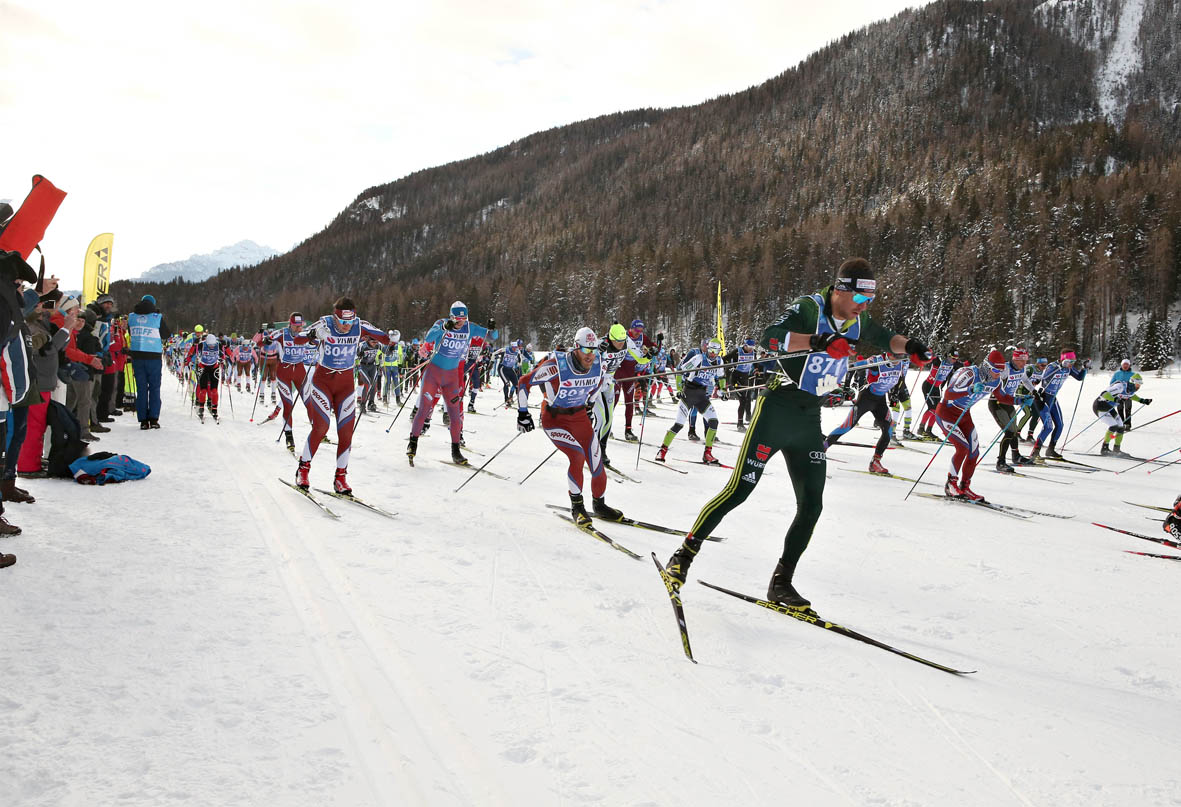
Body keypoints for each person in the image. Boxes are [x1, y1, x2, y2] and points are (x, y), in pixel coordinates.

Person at [664, 258, 931, 609]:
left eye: (869, 301)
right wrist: (818, 340)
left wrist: (911, 346)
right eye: (860, 299)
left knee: (812, 505)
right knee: (739, 491)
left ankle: (781, 582)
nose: (864, 307)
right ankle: (682, 556)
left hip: (808, 419)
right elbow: (770, 338)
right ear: (840, 290)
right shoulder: (810, 308)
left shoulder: (857, 319)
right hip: (776, 410)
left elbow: (885, 338)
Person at [516, 326, 623, 525]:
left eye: (594, 350)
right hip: (555, 419)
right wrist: (523, 413)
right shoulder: (556, 366)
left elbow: (596, 385)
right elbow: (524, 382)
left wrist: (590, 404)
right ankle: (578, 507)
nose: (590, 355)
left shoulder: (599, 364)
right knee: (577, 456)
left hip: (579, 417)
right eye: (586, 350)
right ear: (575, 347)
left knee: (596, 460)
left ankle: (599, 504)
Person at [293, 297, 391, 493]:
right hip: (323, 383)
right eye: (342, 322)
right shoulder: (325, 323)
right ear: (335, 317)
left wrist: (392, 339)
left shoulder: (359, 324)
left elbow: (384, 338)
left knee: (346, 432)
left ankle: (340, 477)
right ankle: (303, 470)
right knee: (321, 427)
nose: (346, 326)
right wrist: (313, 334)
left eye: (349, 321)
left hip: (345, 384)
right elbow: (298, 339)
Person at [406, 301, 497, 466]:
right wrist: (443, 328)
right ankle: (413, 443)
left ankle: (456, 451)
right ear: (451, 317)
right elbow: (429, 337)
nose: (460, 322)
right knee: (425, 409)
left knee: (455, 416)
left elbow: (493, 337)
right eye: (457, 319)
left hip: (452, 377)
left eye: (463, 318)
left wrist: (492, 328)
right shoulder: (442, 324)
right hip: (433, 373)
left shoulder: (470, 327)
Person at [935, 349, 1005, 500]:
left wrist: (1021, 400)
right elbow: (948, 394)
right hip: (946, 413)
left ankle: (965, 486)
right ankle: (950, 484)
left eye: (1001, 370)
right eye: (995, 370)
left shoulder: (996, 381)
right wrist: (969, 389)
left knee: (974, 452)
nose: (998, 374)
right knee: (962, 448)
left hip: (964, 414)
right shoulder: (969, 373)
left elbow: (1002, 397)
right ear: (986, 366)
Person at [824, 353, 908, 475]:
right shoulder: (877, 361)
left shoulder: (901, 363)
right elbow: (853, 367)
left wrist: (894, 394)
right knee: (847, 426)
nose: (898, 359)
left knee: (889, 429)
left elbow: (900, 379)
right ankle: (823, 447)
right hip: (866, 398)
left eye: (901, 356)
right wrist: (845, 384)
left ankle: (876, 462)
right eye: (896, 356)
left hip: (880, 401)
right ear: (889, 353)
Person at [654, 339, 727, 466]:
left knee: (714, 422)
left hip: (701, 396)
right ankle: (662, 450)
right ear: (707, 349)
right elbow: (680, 371)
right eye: (711, 350)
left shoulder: (720, 362)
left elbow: (721, 378)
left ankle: (707, 454)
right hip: (689, 393)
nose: (713, 353)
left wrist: (723, 390)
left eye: (716, 351)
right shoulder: (698, 358)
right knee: (679, 425)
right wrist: (679, 388)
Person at [987, 346, 1037, 473]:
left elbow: (1025, 380)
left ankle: (1016, 456)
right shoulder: (1005, 369)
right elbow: (993, 380)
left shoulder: (1022, 369)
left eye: (1026, 360)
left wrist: (1034, 391)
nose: (1024, 363)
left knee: (1014, 431)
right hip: (997, 403)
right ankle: (1001, 461)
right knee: (1009, 432)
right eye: (1021, 360)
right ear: (1015, 359)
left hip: (1009, 403)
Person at [1030, 350, 1087, 461]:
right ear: (1063, 359)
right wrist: (1060, 367)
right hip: (1043, 398)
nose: (1072, 364)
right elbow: (1044, 377)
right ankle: (1035, 452)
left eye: (1073, 361)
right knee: (1048, 427)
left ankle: (1051, 449)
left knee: (1060, 425)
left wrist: (1085, 368)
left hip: (1053, 398)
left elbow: (1079, 377)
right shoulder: (1052, 366)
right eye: (1070, 361)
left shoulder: (1068, 369)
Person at [270, 313, 315, 452]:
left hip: (300, 370)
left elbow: (318, 343)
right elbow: (263, 342)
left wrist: (315, 339)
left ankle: (317, 431)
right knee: (288, 406)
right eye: (296, 326)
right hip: (284, 371)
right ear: (290, 324)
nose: (298, 329)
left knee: (309, 402)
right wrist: (264, 340)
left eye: (300, 326)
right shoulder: (282, 334)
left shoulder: (304, 334)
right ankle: (289, 437)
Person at [127, 294, 172, 429]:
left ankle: (143, 421)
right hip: (153, 357)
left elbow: (131, 333)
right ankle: (153, 419)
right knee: (154, 388)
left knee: (141, 389)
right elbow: (166, 334)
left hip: (137, 357)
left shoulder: (132, 317)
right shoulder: (157, 317)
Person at [1095, 372, 1151, 456]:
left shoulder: (1130, 390)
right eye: (1137, 384)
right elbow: (1104, 394)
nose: (1138, 387)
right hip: (1100, 406)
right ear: (1132, 382)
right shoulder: (1120, 386)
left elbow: (1132, 396)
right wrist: (1115, 400)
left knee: (1121, 427)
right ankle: (1104, 448)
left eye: (1139, 385)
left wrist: (1143, 400)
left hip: (1109, 408)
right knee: (1113, 426)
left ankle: (1116, 449)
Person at [916, 349, 960, 438]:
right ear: (948, 356)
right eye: (953, 358)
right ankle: (921, 429)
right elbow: (932, 358)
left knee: (937, 411)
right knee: (932, 409)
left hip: (936, 388)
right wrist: (934, 355)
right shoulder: (939, 362)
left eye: (956, 359)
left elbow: (948, 377)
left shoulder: (952, 365)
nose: (954, 360)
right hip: (928, 386)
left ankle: (929, 430)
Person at [184, 333, 225, 422]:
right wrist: (188, 360)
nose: (211, 346)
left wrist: (222, 359)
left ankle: (214, 409)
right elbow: (192, 353)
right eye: (209, 345)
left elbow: (223, 354)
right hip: (203, 367)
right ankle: (201, 408)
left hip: (214, 367)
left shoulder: (218, 345)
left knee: (214, 390)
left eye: (212, 345)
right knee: (203, 389)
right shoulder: (201, 344)